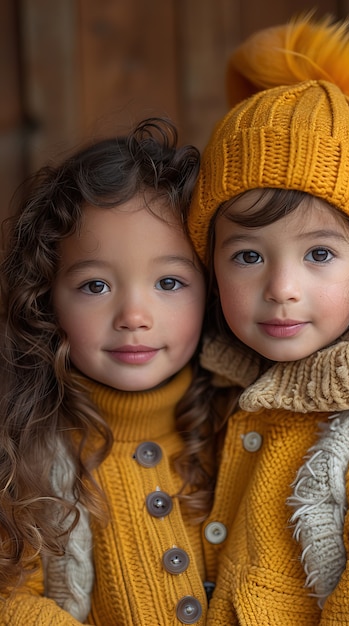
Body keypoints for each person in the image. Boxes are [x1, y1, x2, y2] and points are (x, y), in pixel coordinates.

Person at [187, 14, 349, 625]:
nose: (282, 289)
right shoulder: (213, 387)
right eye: (248, 255)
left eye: (319, 254)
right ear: (210, 263)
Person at [0, 117, 219, 625]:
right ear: (45, 300)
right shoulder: (26, 449)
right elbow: (10, 597)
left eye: (169, 282)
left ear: (210, 288)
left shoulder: (241, 421)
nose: (133, 316)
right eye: (95, 286)